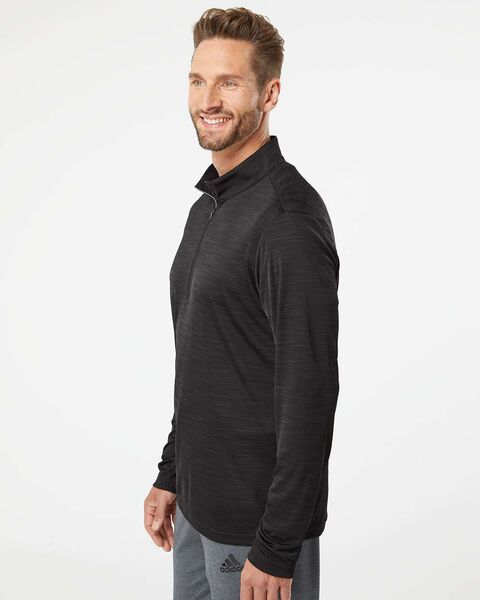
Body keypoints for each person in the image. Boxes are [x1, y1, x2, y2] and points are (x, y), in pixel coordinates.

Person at [144, 7, 340, 600]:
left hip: (256, 532)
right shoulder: (209, 207)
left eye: (228, 82)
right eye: (197, 80)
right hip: (197, 506)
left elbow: (310, 394)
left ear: (269, 93)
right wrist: (171, 472)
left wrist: (277, 545)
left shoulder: (286, 218)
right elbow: (203, 361)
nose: (208, 99)